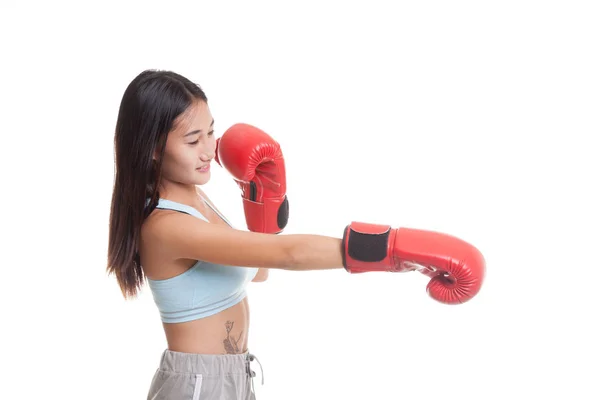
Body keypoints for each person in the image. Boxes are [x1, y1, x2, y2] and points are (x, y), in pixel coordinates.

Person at [107, 69, 485, 400]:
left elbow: (259, 270)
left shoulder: (195, 197)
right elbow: (285, 254)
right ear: (154, 148)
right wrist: (392, 250)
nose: (209, 150)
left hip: (231, 377)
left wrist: (263, 201)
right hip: (198, 386)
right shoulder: (165, 225)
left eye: (211, 132)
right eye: (193, 141)